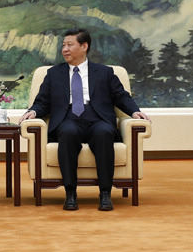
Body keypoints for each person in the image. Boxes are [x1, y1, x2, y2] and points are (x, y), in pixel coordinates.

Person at [20, 28, 150, 211]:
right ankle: (70, 193)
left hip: (97, 117)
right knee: (67, 132)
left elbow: (121, 96)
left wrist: (135, 112)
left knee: (104, 133)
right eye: (63, 45)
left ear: (84, 46)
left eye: (69, 45)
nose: (64, 49)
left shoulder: (105, 72)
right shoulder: (54, 74)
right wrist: (33, 111)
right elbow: (43, 102)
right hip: (68, 117)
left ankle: (105, 193)